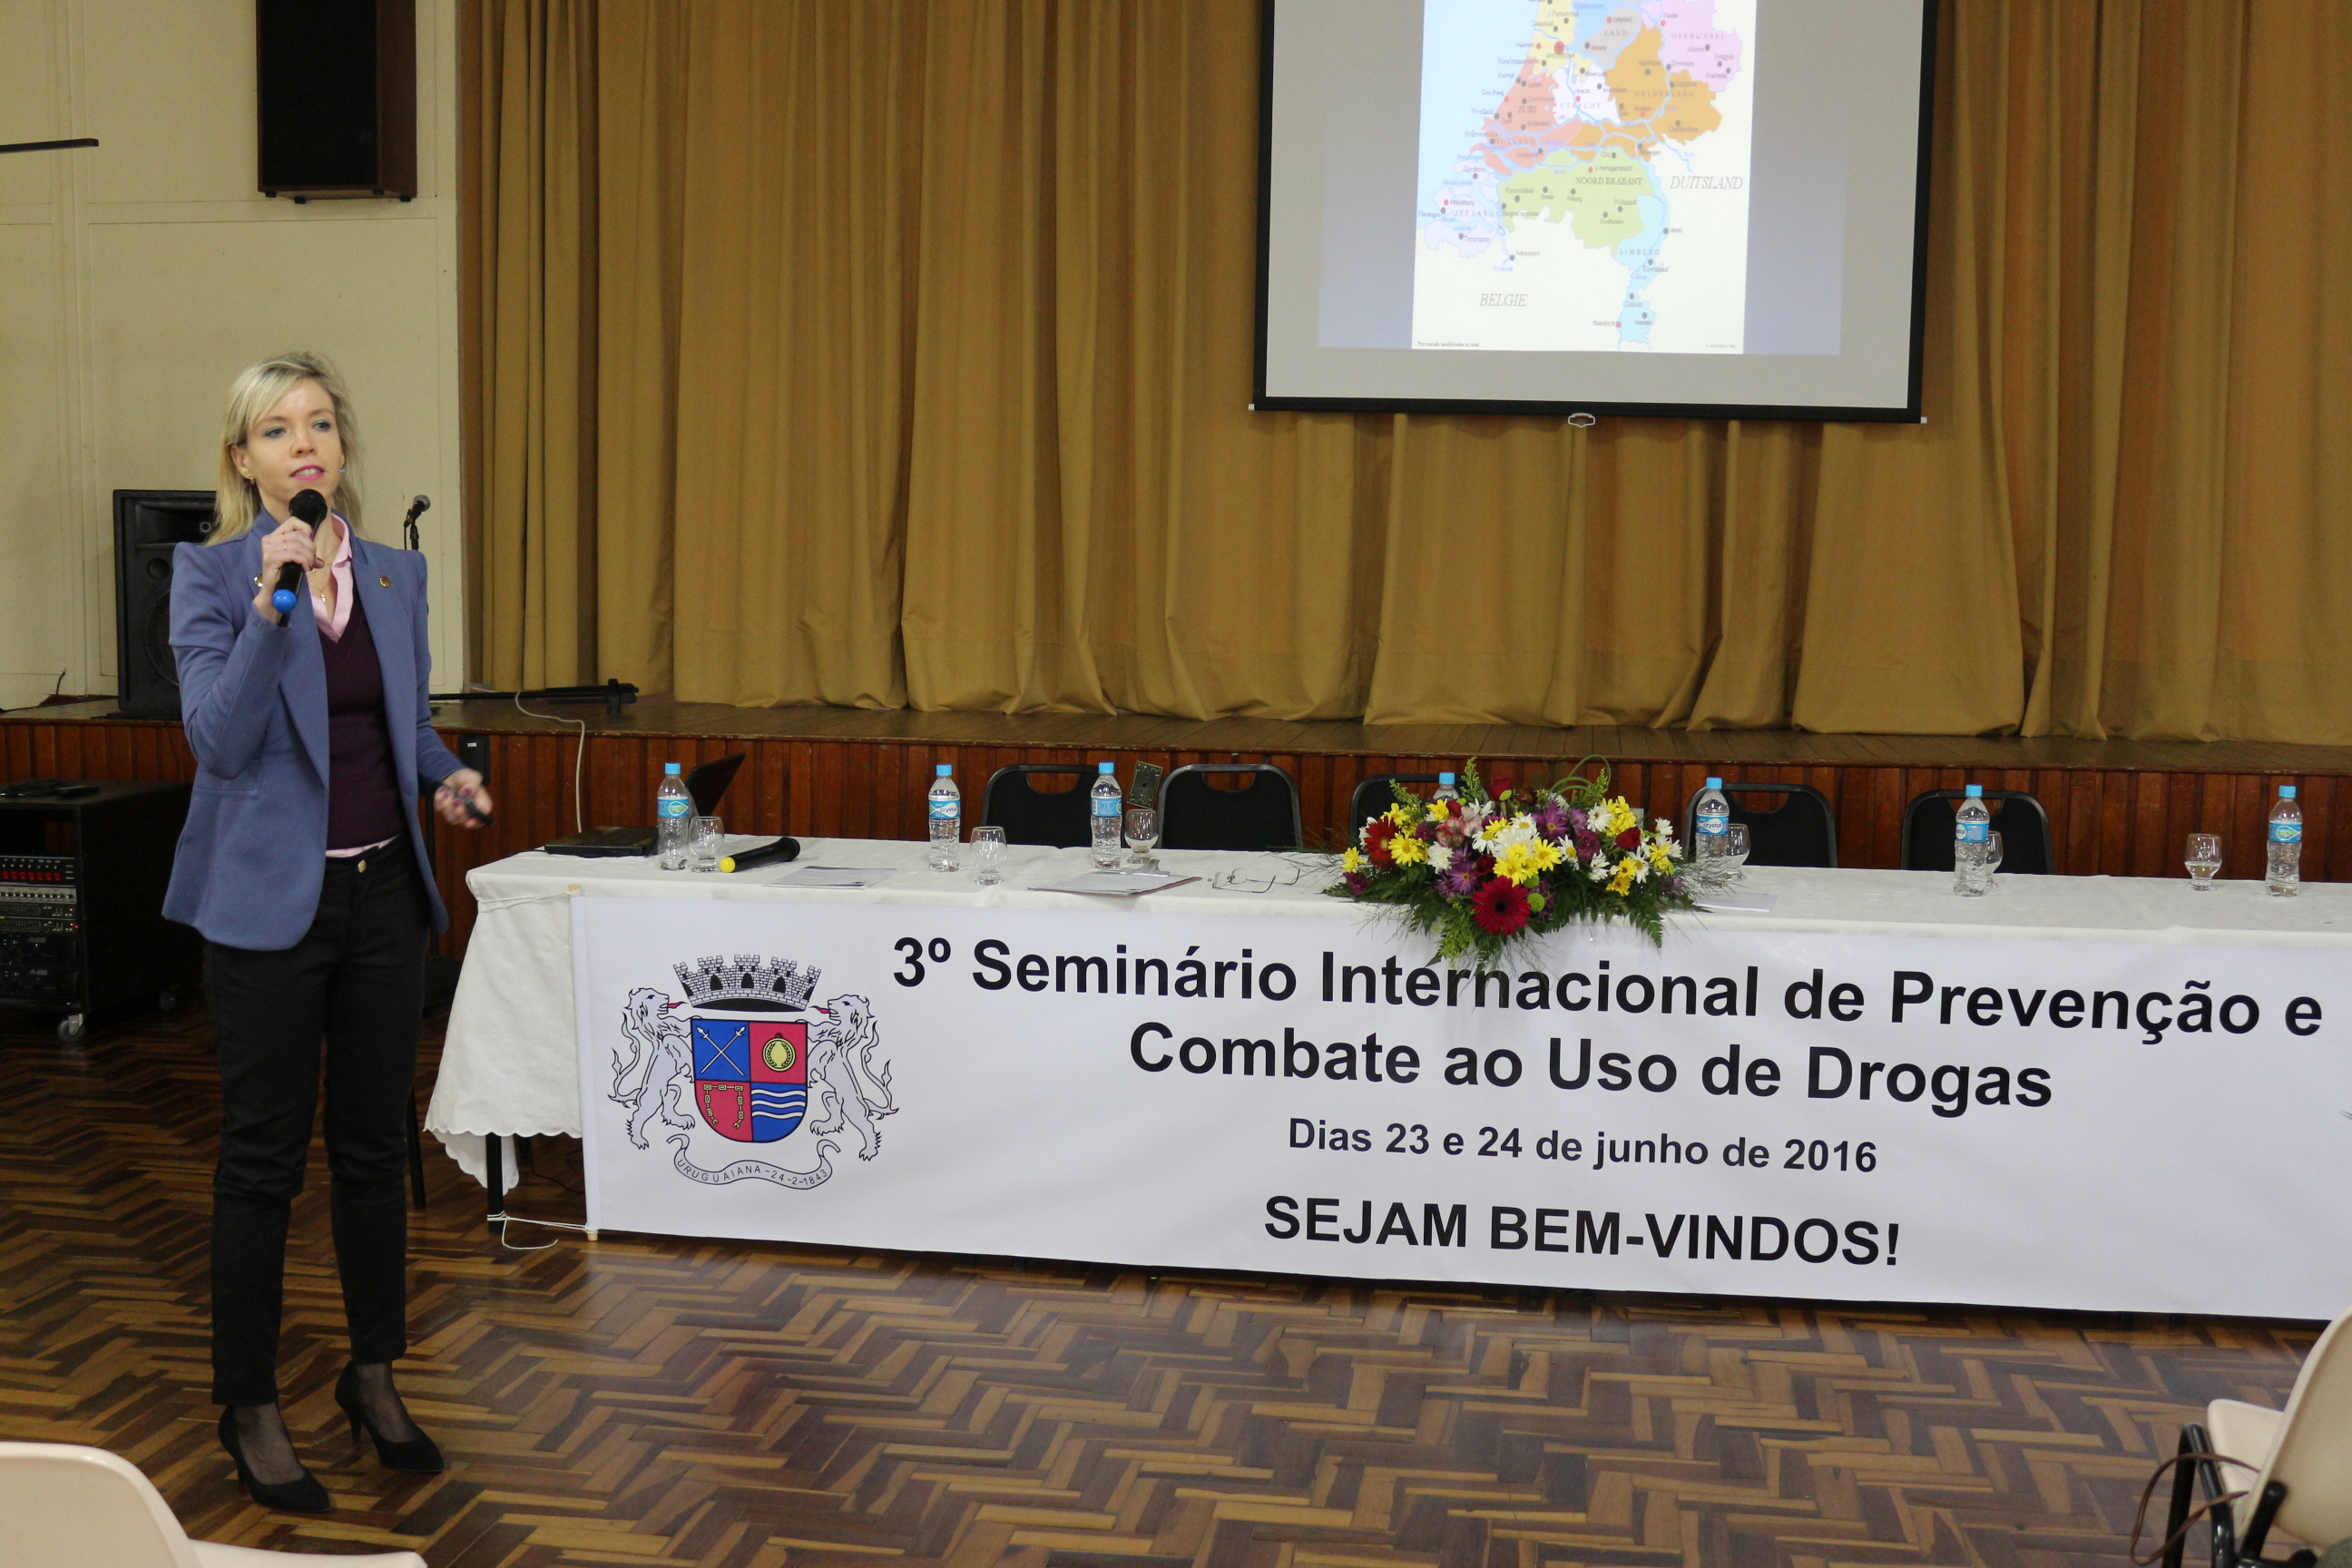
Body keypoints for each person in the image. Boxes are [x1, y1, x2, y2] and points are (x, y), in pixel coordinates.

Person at [165, 351, 492, 1512]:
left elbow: (409, 726)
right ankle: (249, 1404)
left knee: (370, 1153)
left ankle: (374, 1375)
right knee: (261, 1162)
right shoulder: (212, 575)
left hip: (383, 902)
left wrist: (449, 778)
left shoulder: (398, 573)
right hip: (266, 911)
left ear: (341, 446)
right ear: (244, 461)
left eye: (317, 424)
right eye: (275, 430)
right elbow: (219, 740)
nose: (301, 444)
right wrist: (272, 601)